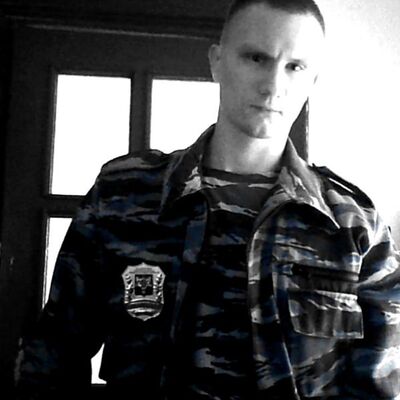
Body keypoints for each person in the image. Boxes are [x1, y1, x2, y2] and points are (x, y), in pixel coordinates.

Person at [14, 0, 400, 399]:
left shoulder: (352, 223)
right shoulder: (123, 195)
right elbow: (54, 355)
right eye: (256, 58)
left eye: (295, 67)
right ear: (217, 61)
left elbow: (378, 385)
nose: (273, 85)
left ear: (313, 79)